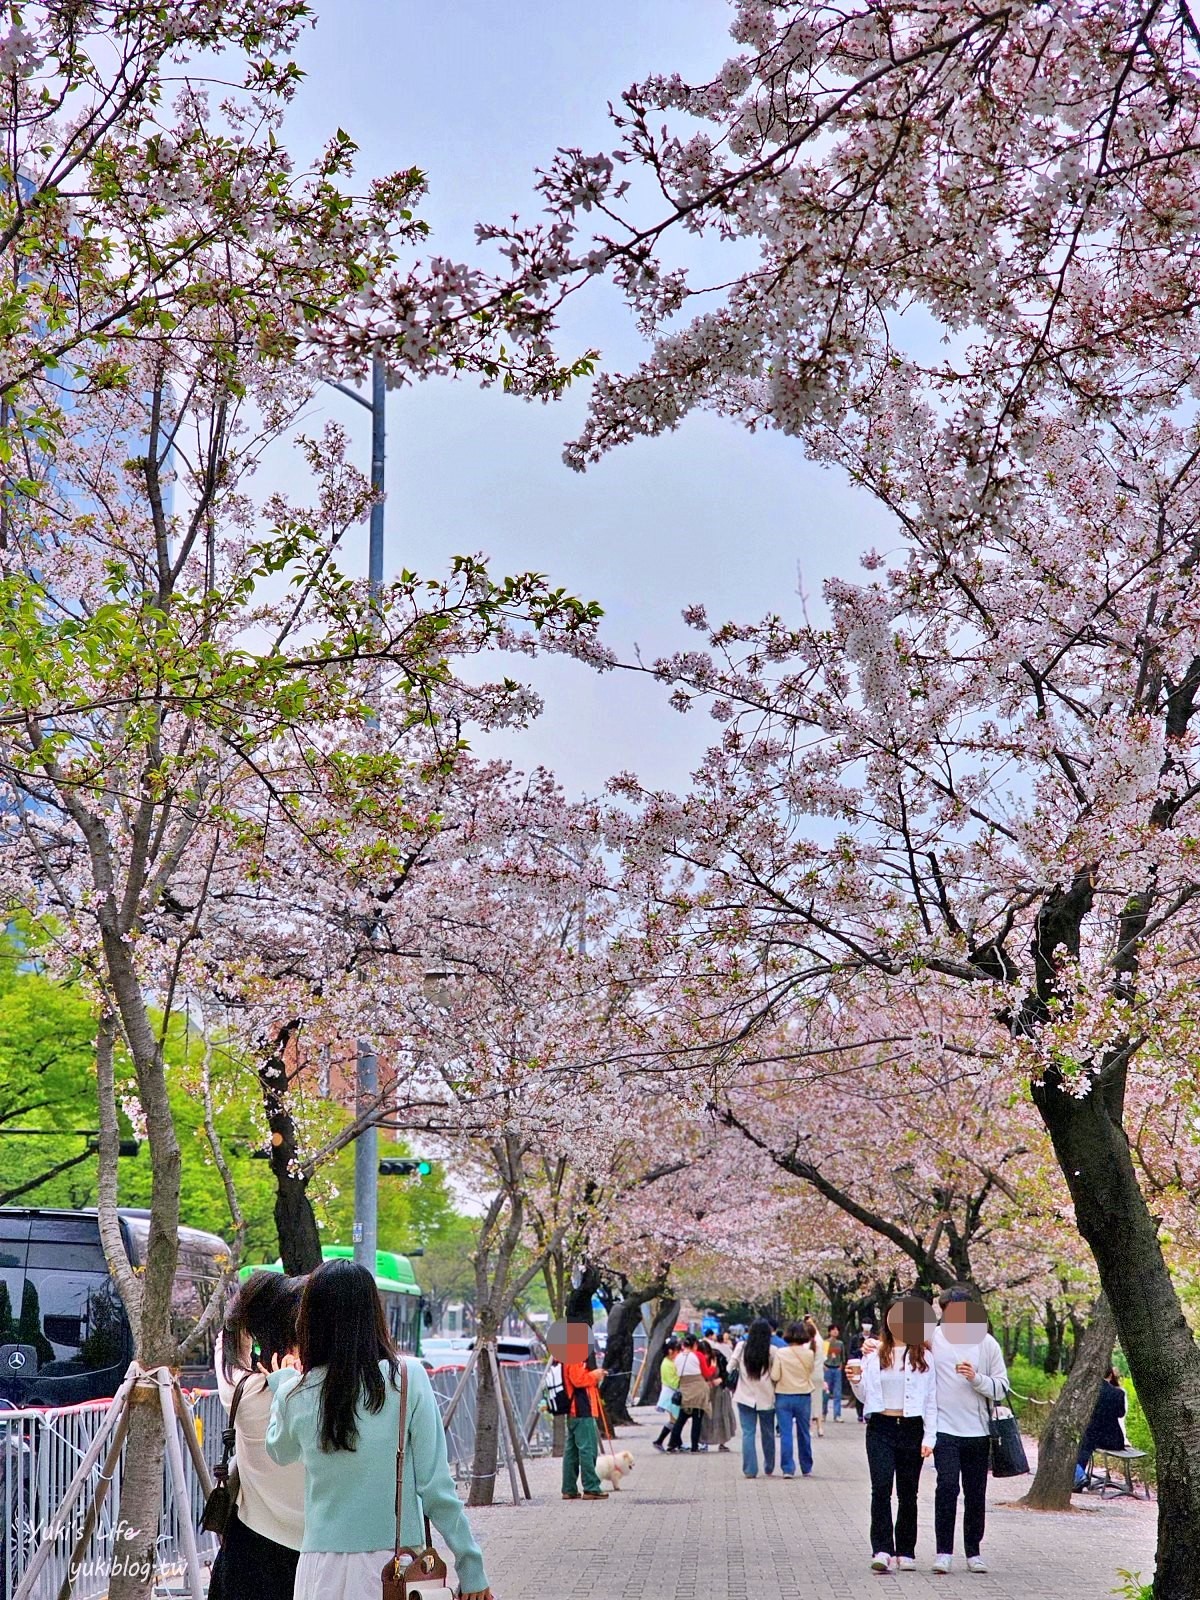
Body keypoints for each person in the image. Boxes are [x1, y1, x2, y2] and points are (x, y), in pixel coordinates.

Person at [265, 1259, 493, 1600]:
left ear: (309, 1318)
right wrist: (470, 1566)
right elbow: (436, 1487)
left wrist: (283, 1381)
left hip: (319, 1568)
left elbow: (279, 1450)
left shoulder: (293, 1392)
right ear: (373, 1312)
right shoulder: (407, 1378)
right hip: (393, 1566)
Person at [209, 1271, 306, 1600]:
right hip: (316, 1553)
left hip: (250, 1548)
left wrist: (246, 1304)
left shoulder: (244, 1393)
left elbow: (228, 1345)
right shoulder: (326, 1394)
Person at [847, 1296, 938, 1575]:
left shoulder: (924, 1357)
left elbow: (932, 1400)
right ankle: (882, 1549)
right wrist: (855, 1380)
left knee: (908, 1493)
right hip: (881, 1428)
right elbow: (865, 1396)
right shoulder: (874, 1355)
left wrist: (929, 1438)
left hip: (911, 1428)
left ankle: (906, 1550)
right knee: (881, 1488)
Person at [929, 1283, 1010, 1575]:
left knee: (976, 1494)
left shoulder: (986, 1343)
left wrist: (977, 1378)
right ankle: (943, 1552)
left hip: (978, 1431)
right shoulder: (933, 1338)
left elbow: (1002, 1386)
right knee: (947, 1488)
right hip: (944, 1429)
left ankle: (973, 1552)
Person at [552, 1321, 608, 1500]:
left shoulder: (561, 1357)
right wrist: (595, 1375)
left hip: (572, 1410)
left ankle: (568, 1487)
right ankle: (591, 1487)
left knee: (572, 1451)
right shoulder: (573, 1356)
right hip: (581, 1409)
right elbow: (578, 1380)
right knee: (587, 1449)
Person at [769, 1319, 822, 1478]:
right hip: (803, 1395)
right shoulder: (809, 1354)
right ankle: (806, 1467)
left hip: (783, 1396)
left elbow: (775, 1375)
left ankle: (787, 1468)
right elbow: (810, 1372)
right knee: (804, 1432)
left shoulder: (781, 1352)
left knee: (786, 1433)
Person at [731, 1318, 777, 1479]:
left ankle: (750, 1470)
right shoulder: (772, 1351)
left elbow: (729, 1367)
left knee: (748, 1433)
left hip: (744, 1396)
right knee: (768, 1433)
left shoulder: (741, 1348)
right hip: (767, 1397)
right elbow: (776, 1374)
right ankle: (769, 1466)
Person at [1074, 1367, 1128, 1489]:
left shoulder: (1091, 1392)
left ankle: (1079, 1477)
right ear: (1110, 1376)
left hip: (1092, 1435)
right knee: (1085, 1444)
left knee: (1084, 1446)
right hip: (1113, 1438)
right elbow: (1121, 1414)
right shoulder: (1118, 1393)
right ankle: (1079, 1477)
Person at [667, 1333, 712, 1452]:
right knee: (697, 1420)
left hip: (684, 1390)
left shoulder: (678, 1357)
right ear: (695, 1345)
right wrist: (713, 1366)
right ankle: (694, 1447)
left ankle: (672, 1444)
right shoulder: (698, 1356)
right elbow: (706, 1374)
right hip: (698, 1390)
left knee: (681, 1419)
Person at [699, 1338, 736, 1452]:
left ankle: (722, 1441)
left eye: (707, 1354)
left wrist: (720, 1379)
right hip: (706, 1391)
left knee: (722, 1413)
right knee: (706, 1416)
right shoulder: (697, 1359)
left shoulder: (718, 1357)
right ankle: (704, 1441)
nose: (705, 1356)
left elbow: (726, 1372)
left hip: (719, 1390)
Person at [653, 1337, 682, 1451]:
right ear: (670, 1351)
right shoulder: (667, 1364)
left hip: (670, 1395)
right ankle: (661, 1441)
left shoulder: (669, 1362)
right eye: (677, 1350)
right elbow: (673, 1382)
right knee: (675, 1421)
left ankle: (676, 1443)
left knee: (675, 1421)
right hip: (670, 1396)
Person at [823, 1322, 847, 1425]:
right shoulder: (825, 1343)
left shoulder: (840, 1343)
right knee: (825, 1392)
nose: (835, 1331)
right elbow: (822, 1356)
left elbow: (843, 1357)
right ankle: (823, 1413)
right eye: (833, 1329)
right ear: (829, 1331)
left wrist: (841, 1366)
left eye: (837, 1330)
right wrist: (823, 1366)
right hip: (827, 1368)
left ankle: (837, 1414)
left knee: (837, 1393)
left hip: (837, 1369)